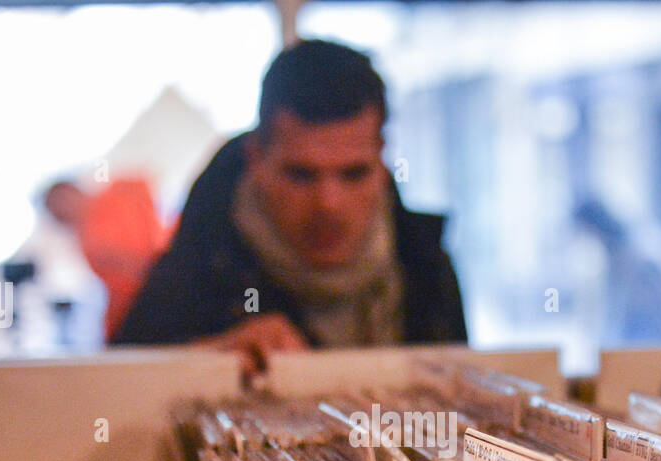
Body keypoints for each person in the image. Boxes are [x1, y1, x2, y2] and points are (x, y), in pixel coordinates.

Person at [111, 39, 467, 374]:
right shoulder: (198, 265)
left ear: (382, 160)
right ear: (255, 159)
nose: (329, 204)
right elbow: (108, 387)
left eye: (354, 173)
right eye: (301, 175)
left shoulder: (425, 263)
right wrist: (208, 363)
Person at [43, 176, 171, 343]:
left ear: (70, 192)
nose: (61, 215)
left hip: (152, 295)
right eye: (56, 214)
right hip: (138, 305)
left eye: (58, 208)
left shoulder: (118, 193)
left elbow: (136, 264)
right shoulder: (87, 239)